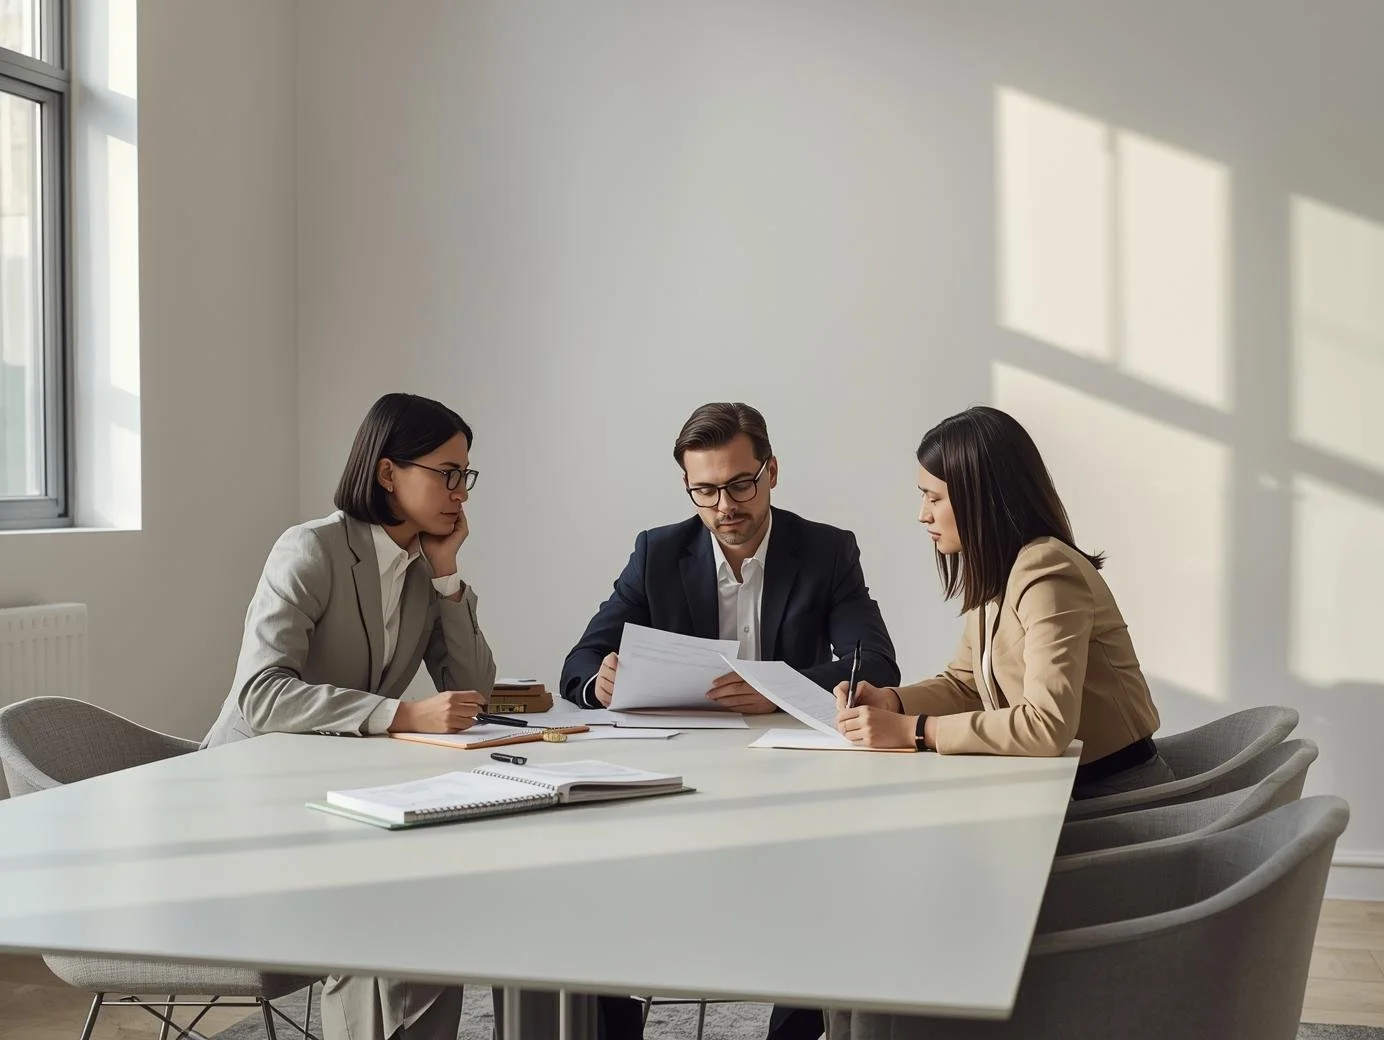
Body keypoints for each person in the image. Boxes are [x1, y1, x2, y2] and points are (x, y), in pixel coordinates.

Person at [203, 392, 554, 1040]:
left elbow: (473, 689)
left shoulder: (422, 571)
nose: (461, 493)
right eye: (446, 473)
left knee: (433, 902)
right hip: (245, 803)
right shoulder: (310, 550)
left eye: (465, 475)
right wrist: (400, 714)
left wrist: (448, 575)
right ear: (389, 472)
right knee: (376, 909)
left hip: (337, 802)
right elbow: (262, 693)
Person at [562, 401, 900, 1040]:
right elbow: (577, 662)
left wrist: (780, 691)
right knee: (592, 888)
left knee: (831, 886)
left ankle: (794, 1027)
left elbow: (876, 665)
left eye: (740, 484)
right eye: (706, 490)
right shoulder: (657, 553)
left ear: (771, 471)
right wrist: (597, 681)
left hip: (790, 778)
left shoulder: (826, 551)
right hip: (674, 772)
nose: (725, 507)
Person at [834, 406, 1172, 799]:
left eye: (934, 498)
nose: (922, 515)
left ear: (981, 498)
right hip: (1056, 791)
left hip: (1115, 797)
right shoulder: (1003, 571)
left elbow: (1047, 725)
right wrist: (891, 700)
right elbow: (965, 685)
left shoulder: (1046, 571)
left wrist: (916, 730)